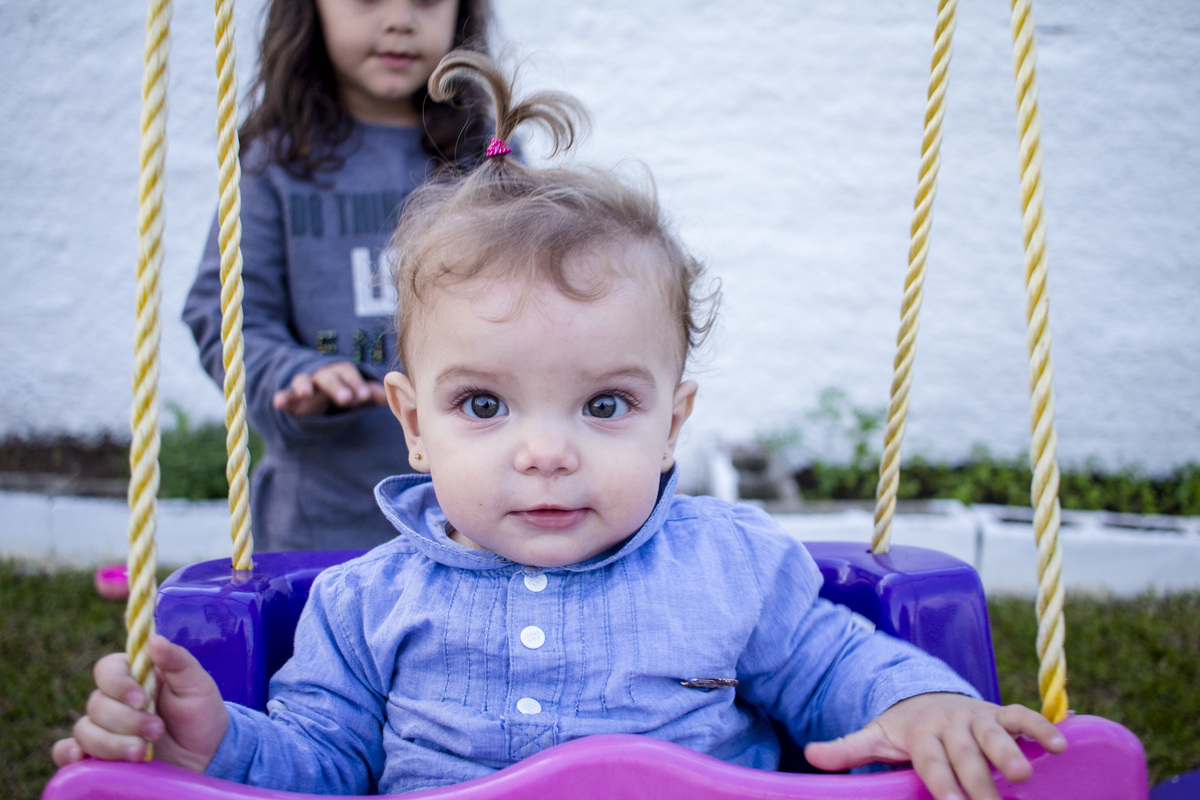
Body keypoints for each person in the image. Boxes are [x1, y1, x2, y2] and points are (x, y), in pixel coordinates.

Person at [54, 52, 1066, 800]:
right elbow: (323, 761)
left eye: (605, 404)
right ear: (414, 423)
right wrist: (215, 744)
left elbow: (836, 663)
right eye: (483, 405)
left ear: (673, 424)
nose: (545, 451)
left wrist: (917, 703)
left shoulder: (729, 565)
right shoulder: (366, 606)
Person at [181, 0, 496, 551]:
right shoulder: (273, 165)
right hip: (323, 520)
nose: (400, 19)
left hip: (475, 518)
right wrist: (296, 375)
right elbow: (225, 314)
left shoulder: (486, 152)